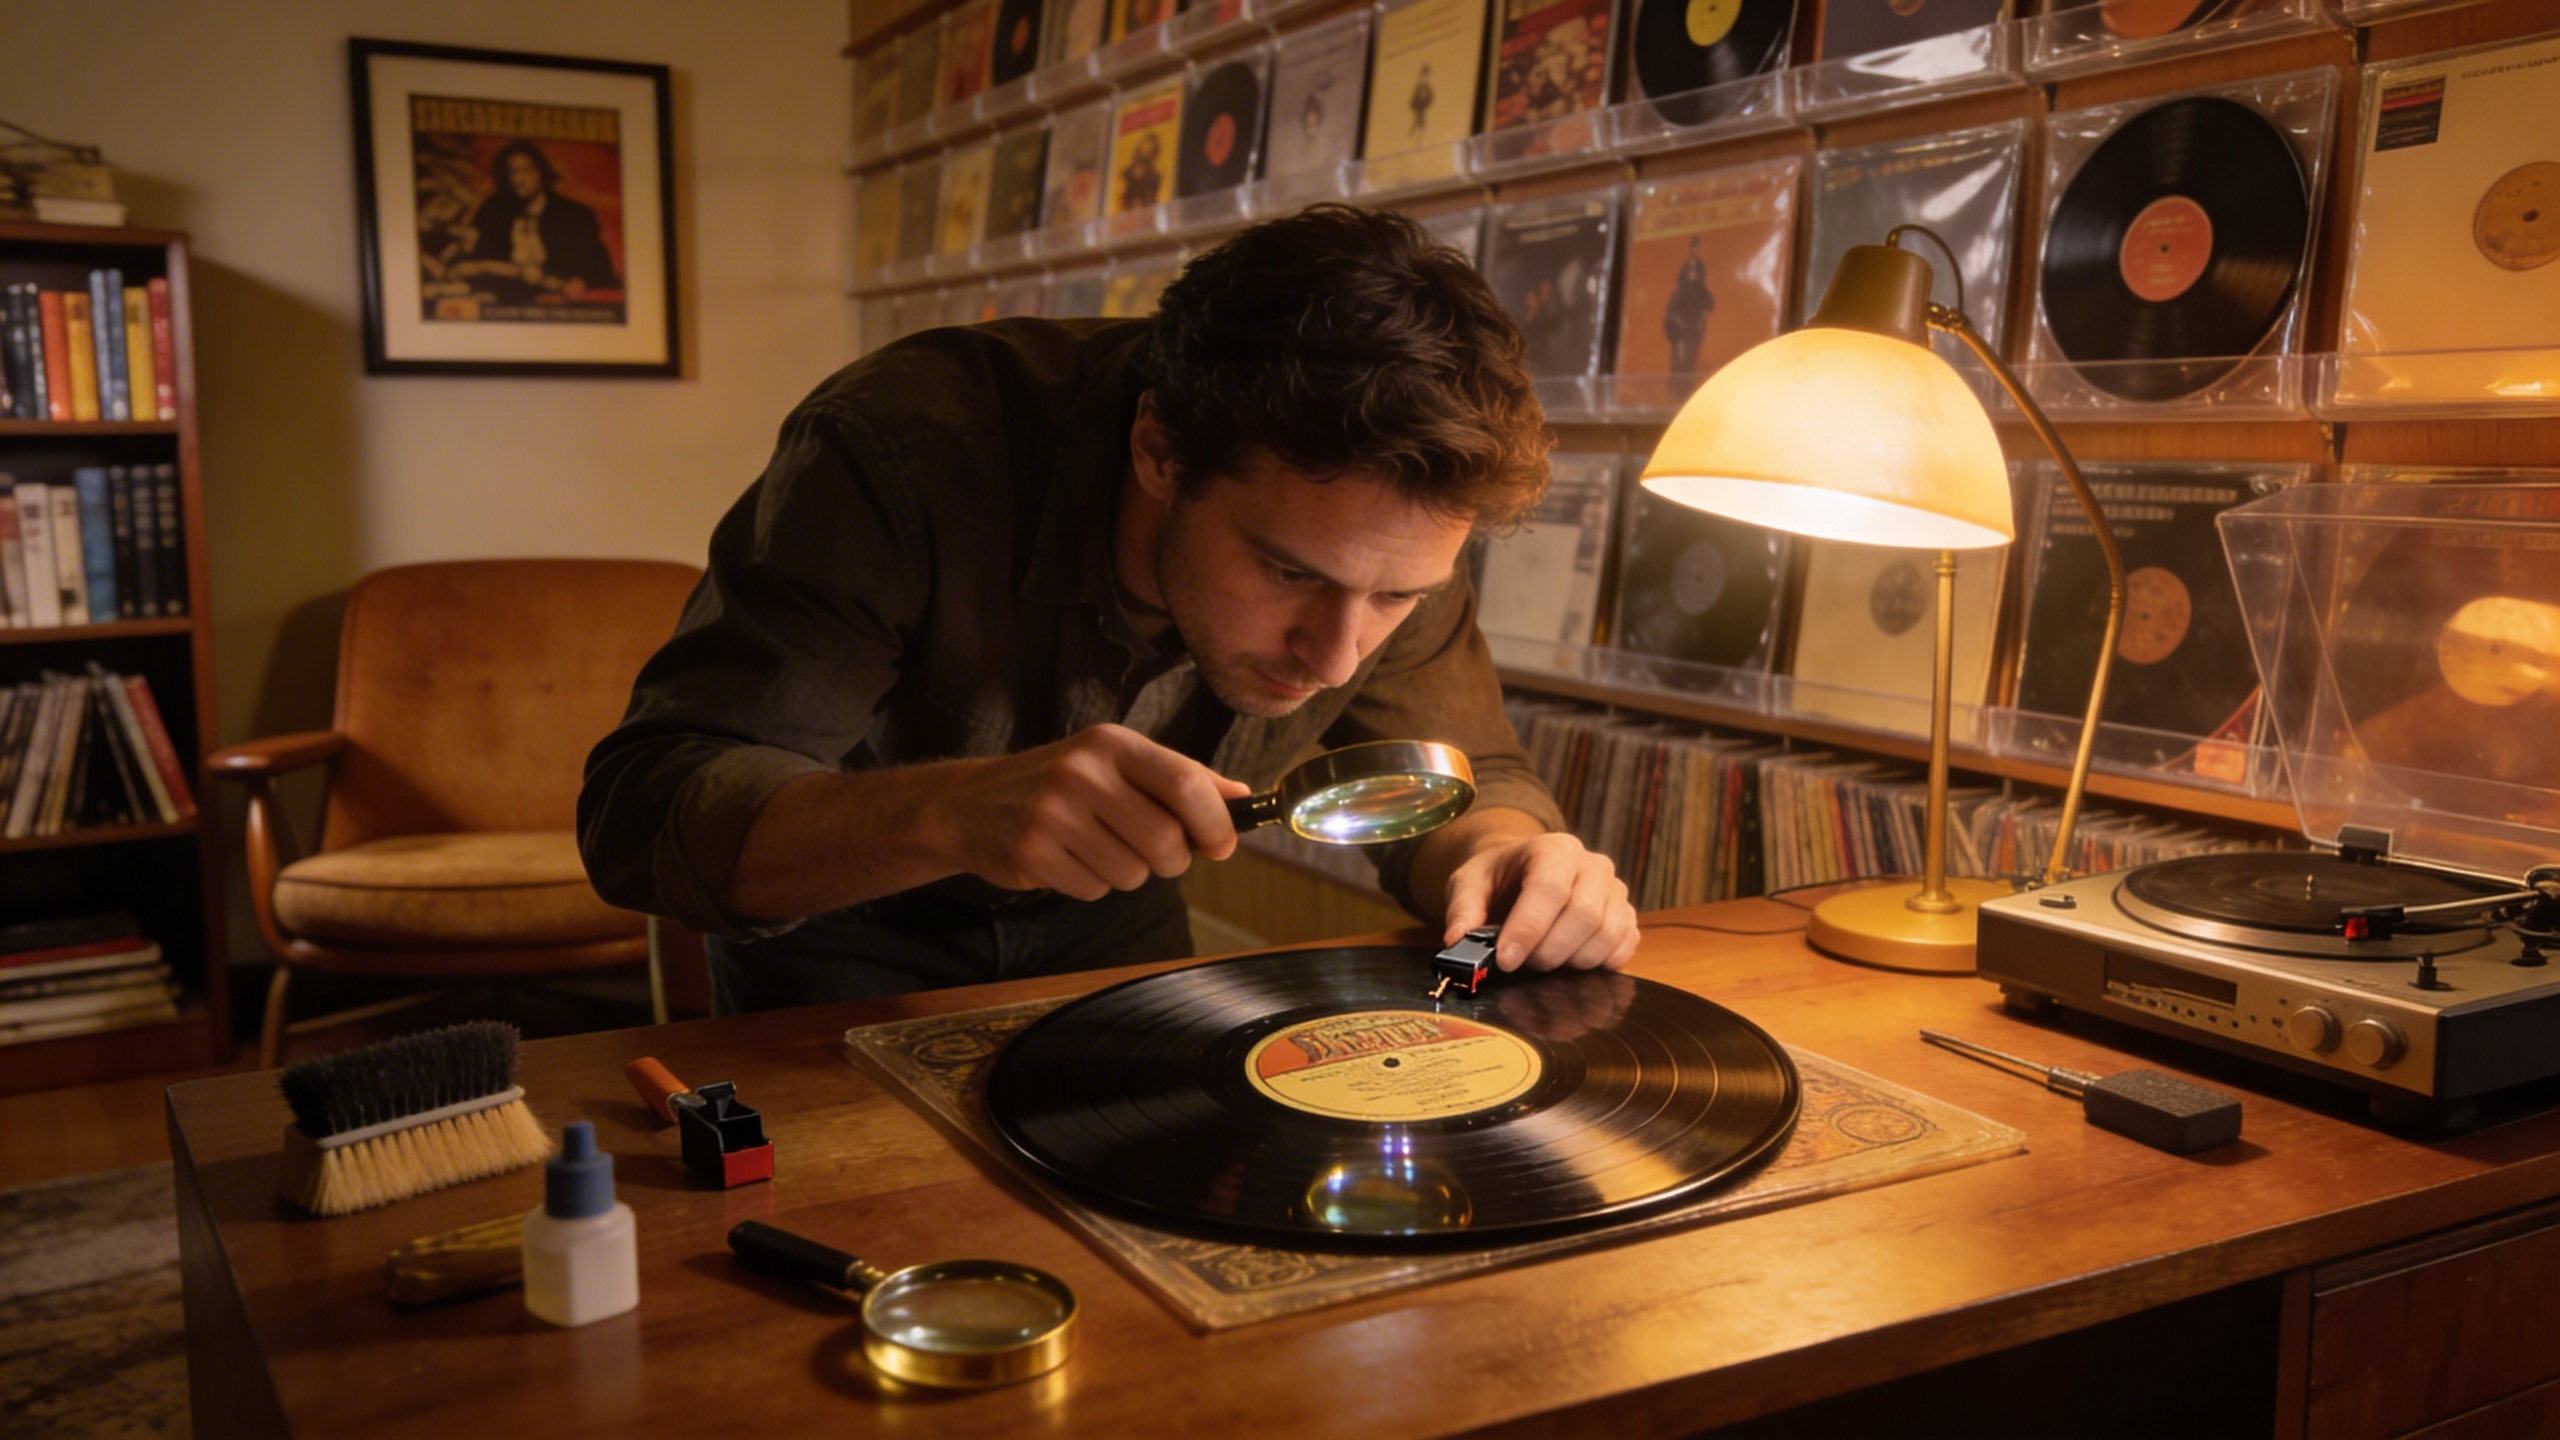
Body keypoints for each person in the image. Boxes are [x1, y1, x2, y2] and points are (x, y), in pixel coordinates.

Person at [579, 204, 1639, 1014]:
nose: (1335, 654)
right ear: (1158, 450)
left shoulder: (1384, 522)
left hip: (1116, 924)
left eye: (1397, 595)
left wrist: (1505, 856)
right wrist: (951, 814)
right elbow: (641, 815)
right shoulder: (899, 452)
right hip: (839, 933)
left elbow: (1472, 780)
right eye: (1287, 575)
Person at [452, 140, 621, 300]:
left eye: (528, 170)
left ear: (542, 172)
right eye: (513, 172)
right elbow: (474, 258)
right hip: (504, 293)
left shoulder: (574, 214)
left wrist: (582, 281)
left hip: (558, 298)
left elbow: (599, 267)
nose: (520, 179)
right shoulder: (492, 210)